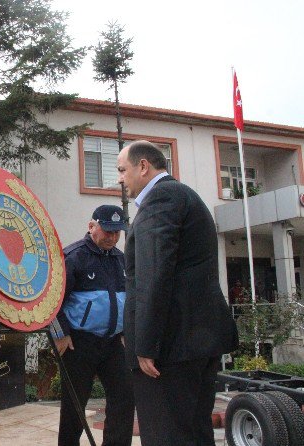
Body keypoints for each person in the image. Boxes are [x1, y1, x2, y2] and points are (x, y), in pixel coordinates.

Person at [117, 140, 238, 445]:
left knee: (166, 436)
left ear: (143, 166)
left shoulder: (161, 198)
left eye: (122, 169)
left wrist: (144, 344)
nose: (119, 178)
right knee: (195, 434)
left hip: (169, 349)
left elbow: (153, 274)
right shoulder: (181, 195)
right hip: (192, 343)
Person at [50, 205, 134, 446]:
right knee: (74, 406)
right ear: (91, 226)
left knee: (125, 398)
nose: (112, 237)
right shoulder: (73, 256)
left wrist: (127, 331)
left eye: (117, 232)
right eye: (107, 231)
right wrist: (61, 333)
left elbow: (129, 300)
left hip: (113, 343)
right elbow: (52, 302)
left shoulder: (122, 260)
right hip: (79, 342)